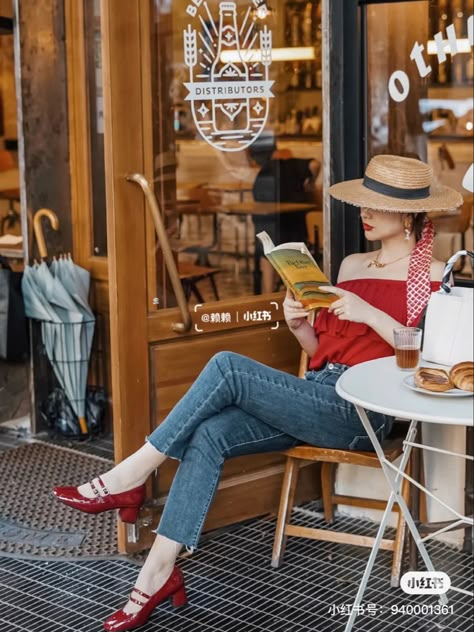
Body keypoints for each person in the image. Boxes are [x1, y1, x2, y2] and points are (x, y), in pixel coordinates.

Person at [52, 155, 462, 632]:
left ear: (410, 215)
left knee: (227, 365)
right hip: (318, 392)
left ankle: (131, 475)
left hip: (365, 411)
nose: (363, 214)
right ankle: (156, 573)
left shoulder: (433, 275)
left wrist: (369, 312)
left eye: (376, 206)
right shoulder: (351, 264)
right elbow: (323, 351)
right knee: (209, 432)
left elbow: (430, 363)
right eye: (362, 204)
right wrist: (299, 327)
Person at [248, 133, 321, 293]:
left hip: (272, 225)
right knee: (283, 249)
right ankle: (292, 294)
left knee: (266, 250)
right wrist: (311, 183)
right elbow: (315, 164)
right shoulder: (292, 164)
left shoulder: (265, 173)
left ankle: (268, 296)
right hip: (293, 226)